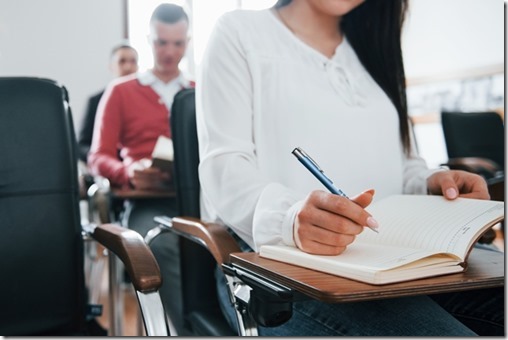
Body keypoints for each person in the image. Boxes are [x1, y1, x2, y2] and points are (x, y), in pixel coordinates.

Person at [196, 0, 503, 336]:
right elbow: (223, 167)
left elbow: (405, 165)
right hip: (281, 274)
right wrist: (289, 219)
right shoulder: (239, 32)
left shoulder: (375, 50)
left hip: (401, 262)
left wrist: (430, 184)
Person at [88, 3, 193, 333]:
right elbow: (98, 157)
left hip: (198, 200)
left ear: (187, 42)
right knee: (158, 244)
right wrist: (127, 172)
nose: (169, 51)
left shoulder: (198, 92)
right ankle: (189, 332)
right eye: (162, 42)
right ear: (149, 40)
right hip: (146, 201)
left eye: (178, 43)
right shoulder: (120, 91)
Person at [77, 43, 138, 163]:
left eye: (133, 61)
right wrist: (102, 161)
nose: (128, 67)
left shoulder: (144, 101)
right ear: (111, 66)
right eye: (122, 61)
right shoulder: (95, 101)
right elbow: (81, 145)